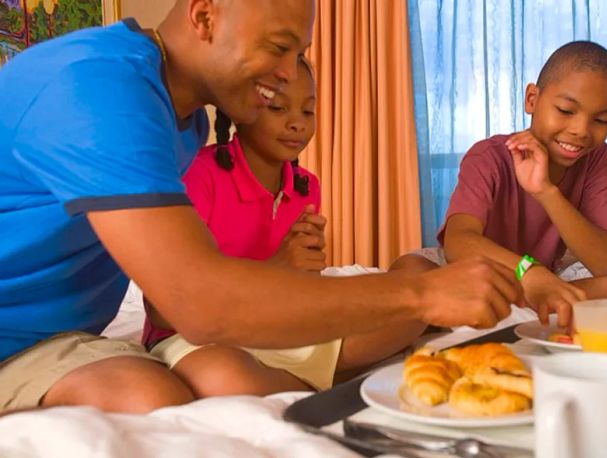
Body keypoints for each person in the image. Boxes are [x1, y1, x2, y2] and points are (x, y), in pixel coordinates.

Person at [0, 0, 522, 414]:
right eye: (279, 47)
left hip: (61, 337)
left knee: (161, 391)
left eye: (298, 54)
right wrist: (421, 294)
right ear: (204, 15)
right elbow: (198, 304)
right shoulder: (97, 88)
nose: (288, 72)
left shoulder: (185, 119)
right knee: (154, 395)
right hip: (19, 340)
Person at [143, 58, 427, 395]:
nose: (297, 124)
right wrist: (276, 268)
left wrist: (304, 275)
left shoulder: (306, 187)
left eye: (307, 111)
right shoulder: (199, 177)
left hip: (276, 324)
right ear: (239, 110)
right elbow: (162, 311)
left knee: (414, 310)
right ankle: (319, 381)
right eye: (278, 108)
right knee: (227, 376)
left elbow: (296, 294)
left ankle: (296, 379)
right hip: (199, 336)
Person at [391, 41, 607, 328]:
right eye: (566, 110)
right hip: (478, 271)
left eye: (600, 119)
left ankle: (560, 295)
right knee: (407, 271)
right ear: (532, 98)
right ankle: (546, 294)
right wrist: (528, 271)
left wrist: (546, 192)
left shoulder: (595, 159)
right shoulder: (488, 156)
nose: (581, 130)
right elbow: (458, 243)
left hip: (545, 275)